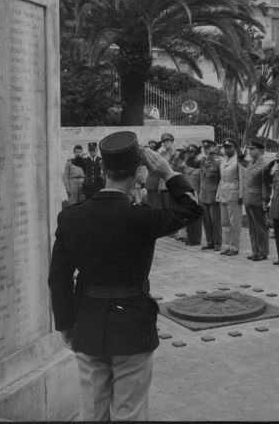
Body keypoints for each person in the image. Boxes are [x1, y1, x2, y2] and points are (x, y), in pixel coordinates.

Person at [48, 131, 202, 421]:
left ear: (104, 170)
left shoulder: (71, 217)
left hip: (88, 321)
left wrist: (66, 323)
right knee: (129, 413)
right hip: (132, 324)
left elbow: (58, 277)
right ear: (140, 172)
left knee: (92, 411)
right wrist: (168, 171)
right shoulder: (143, 216)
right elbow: (192, 208)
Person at [242, 138, 271, 261]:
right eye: (250, 149)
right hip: (249, 199)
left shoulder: (264, 166)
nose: (250, 151)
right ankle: (255, 251)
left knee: (260, 227)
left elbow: (267, 185)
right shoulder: (250, 163)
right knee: (252, 228)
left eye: (253, 149)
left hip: (258, 200)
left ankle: (263, 252)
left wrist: (265, 200)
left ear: (260, 150)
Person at [216, 138, 244, 256]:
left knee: (234, 223)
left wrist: (241, 195)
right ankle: (225, 245)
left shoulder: (239, 160)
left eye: (230, 147)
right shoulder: (223, 160)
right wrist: (218, 194)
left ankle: (234, 247)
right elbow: (221, 179)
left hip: (234, 194)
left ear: (235, 148)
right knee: (225, 222)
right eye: (225, 147)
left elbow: (242, 179)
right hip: (223, 193)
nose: (227, 149)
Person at [199, 139, 222, 251]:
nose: (207, 150)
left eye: (209, 148)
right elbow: (201, 178)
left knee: (215, 220)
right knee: (206, 220)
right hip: (204, 194)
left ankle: (218, 242)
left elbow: (220, 180)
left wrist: (219, 194)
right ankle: (210, 241)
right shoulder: (203, 161)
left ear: (214, 148)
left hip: (213, 195)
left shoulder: (219, 161)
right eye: (205, 148)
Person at [183, 144, 202, 246]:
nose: (190, 154)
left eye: (192, 152)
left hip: (196, 193)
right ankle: (190, 237)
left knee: (197, 217)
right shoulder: (187, 164)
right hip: (187, 193)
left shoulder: (199, 164)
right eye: (189, 152)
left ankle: (197, 238)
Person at [144, 139, 162, 208]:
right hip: (150, 182)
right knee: (150, 202)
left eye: (153, 147)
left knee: (156, 203)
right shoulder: (148, 156)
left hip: (157, 183)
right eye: (150, 147)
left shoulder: (158, 155)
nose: (151, 149)